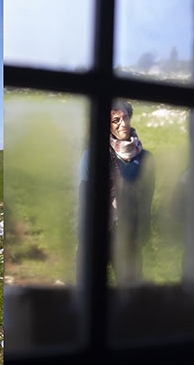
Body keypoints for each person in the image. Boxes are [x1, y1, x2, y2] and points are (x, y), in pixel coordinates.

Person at [79, 100, 155, 285]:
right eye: (116, 120)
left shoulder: (145, 158)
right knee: (92, 287)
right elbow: (86, 198)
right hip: (100, 232)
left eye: (125, 118)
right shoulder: (92, 156)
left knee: (131, 289)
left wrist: (141, 235)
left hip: (130, 233)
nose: (123, 124)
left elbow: (146, 201)